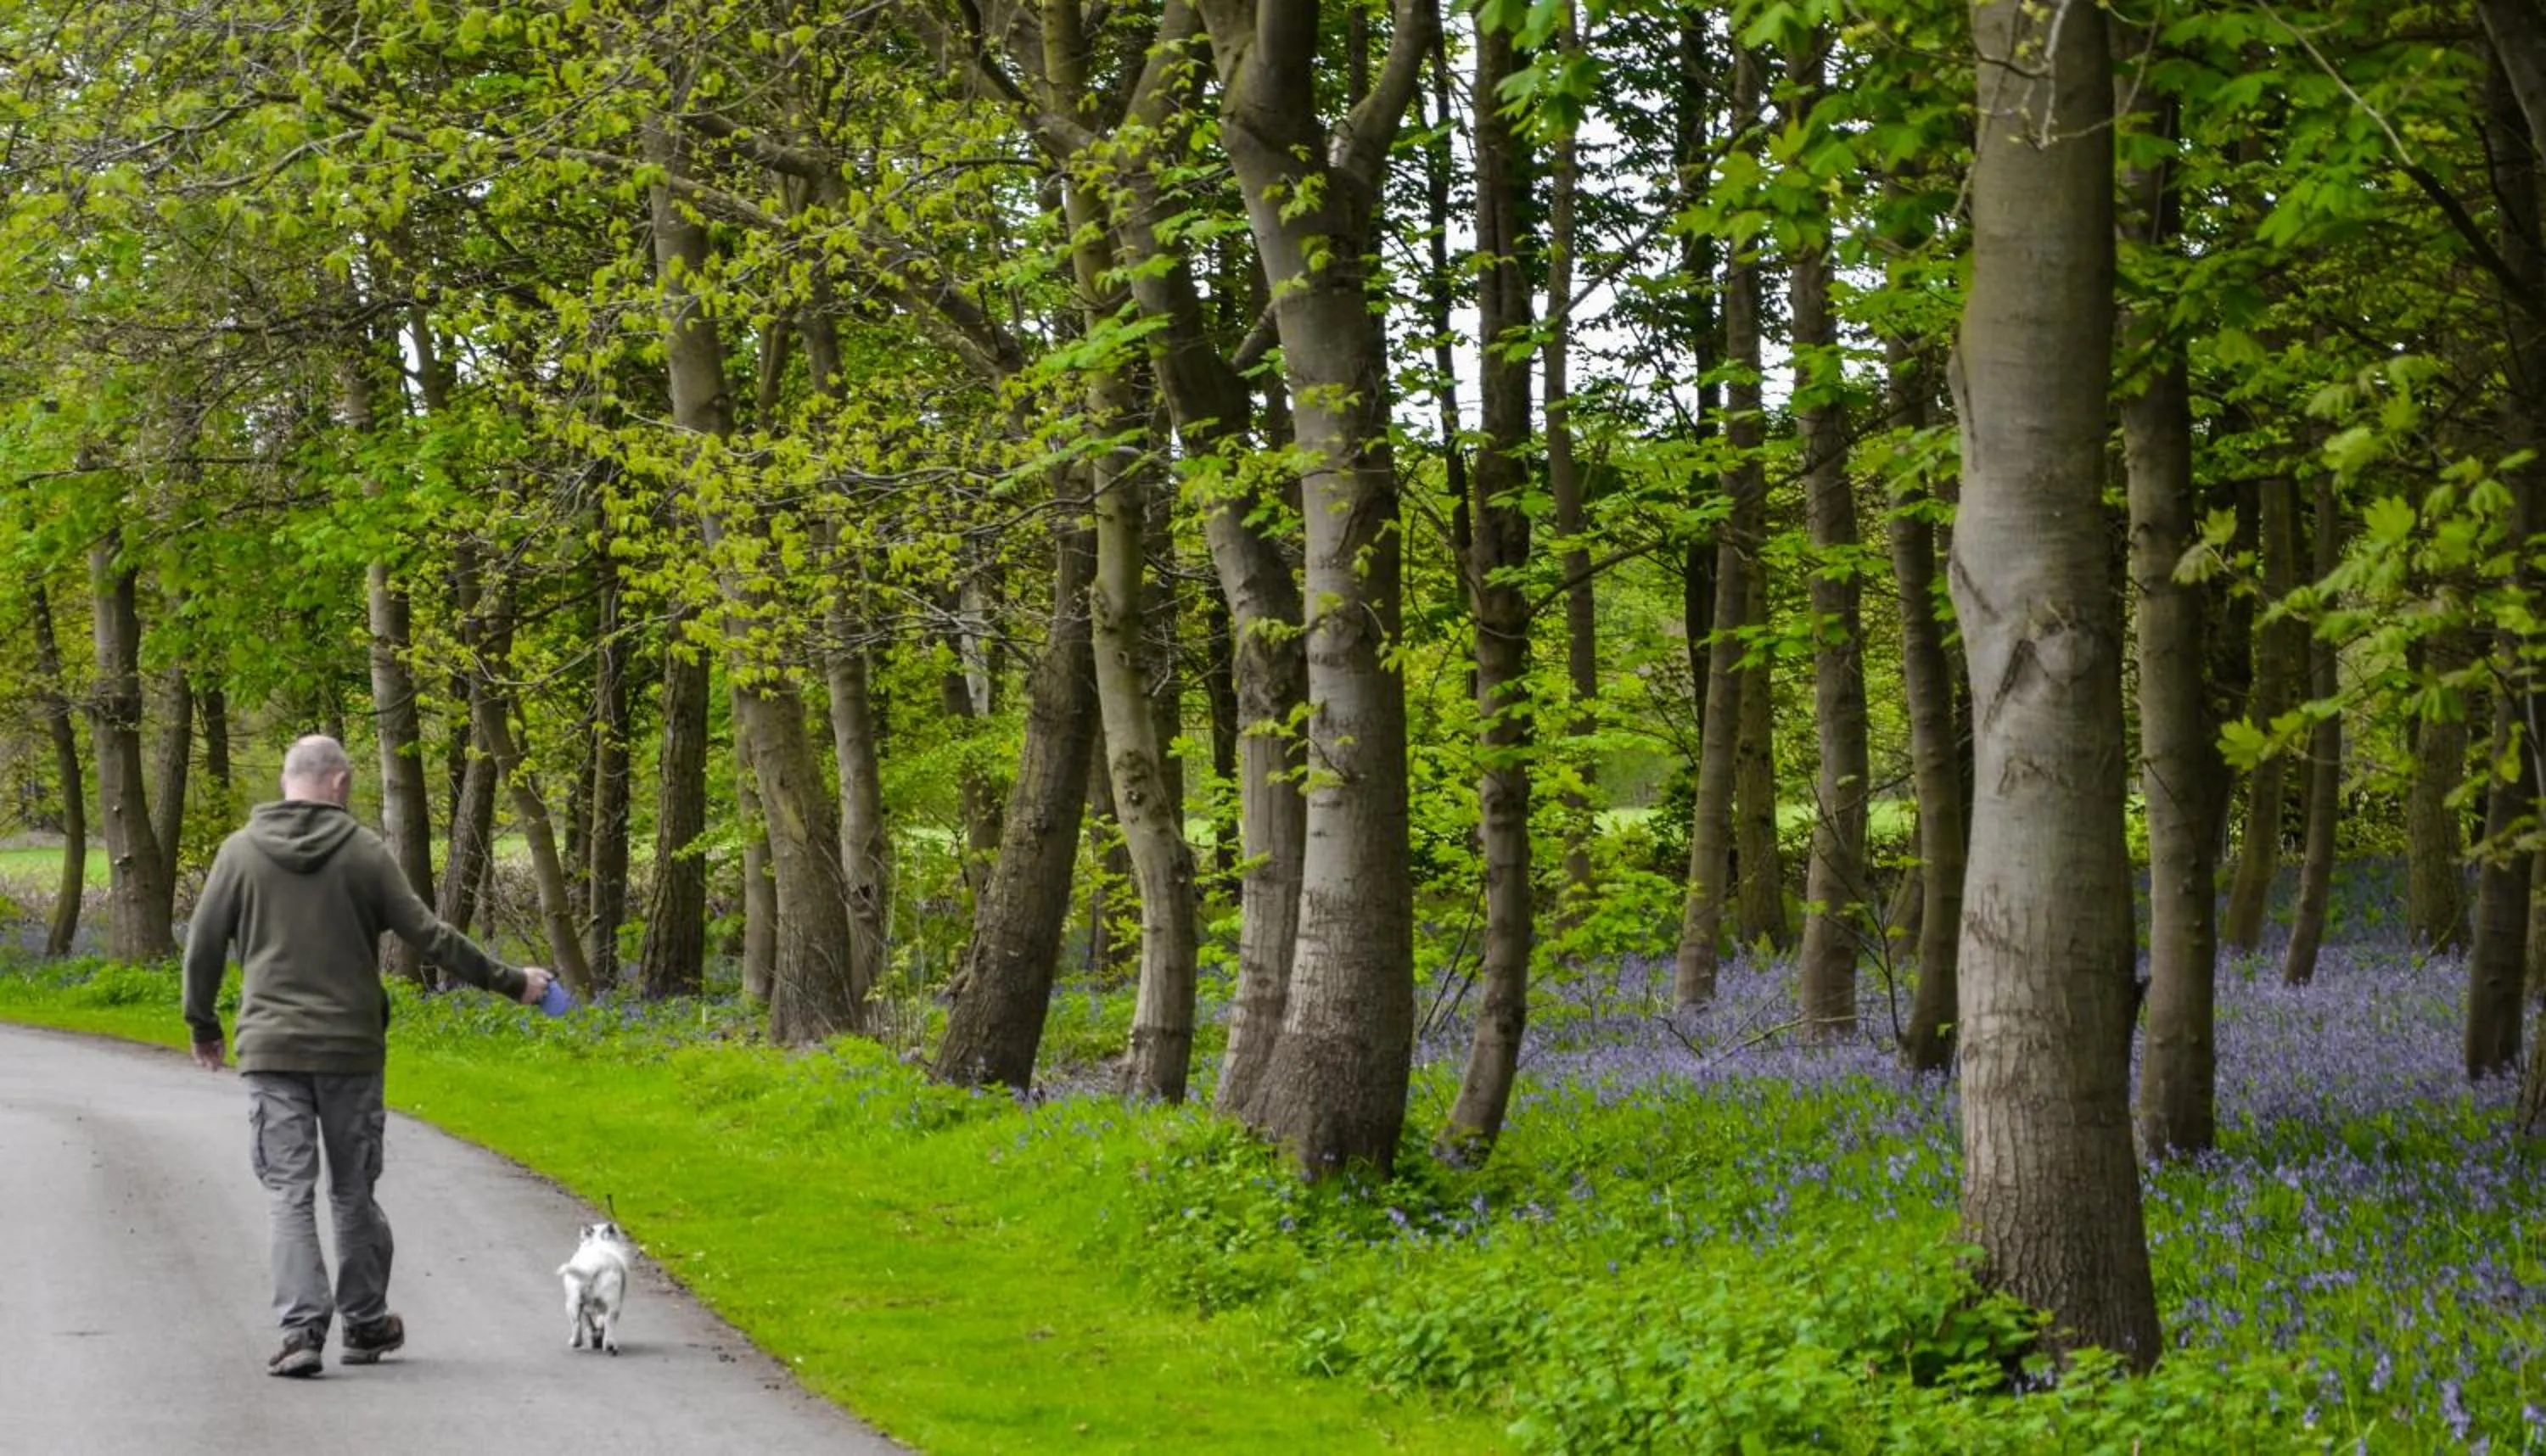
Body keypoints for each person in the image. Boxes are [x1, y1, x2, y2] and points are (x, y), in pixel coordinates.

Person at [182, 734, 555, 1378]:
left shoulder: (239, 854)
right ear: (340, 782)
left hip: (270, 1048)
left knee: (289, 1192)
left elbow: (203, 947)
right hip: (351, 1049)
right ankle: (364, 1322)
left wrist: (202, 1024)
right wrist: (512, 981)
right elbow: (432, 937)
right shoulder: (363, 853)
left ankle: (301, 1331)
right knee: (352, 1191)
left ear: (287, 779)